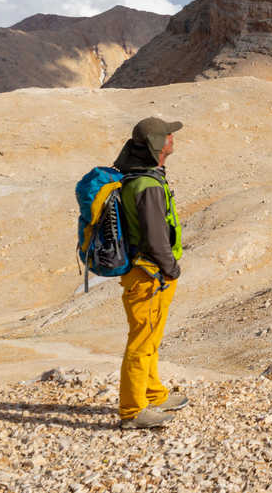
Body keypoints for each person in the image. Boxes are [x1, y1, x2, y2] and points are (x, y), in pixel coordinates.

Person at [113, 116, 188, 429]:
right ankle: (132, 410)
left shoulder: (143, 177)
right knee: (141, 341)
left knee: (151, 337)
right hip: (150, 275)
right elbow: (155, 238)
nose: (172, 137)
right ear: (158, 145)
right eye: (168, 135)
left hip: (148, 274)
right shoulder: (146, 186)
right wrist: (172, 269)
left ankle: (153, 392)